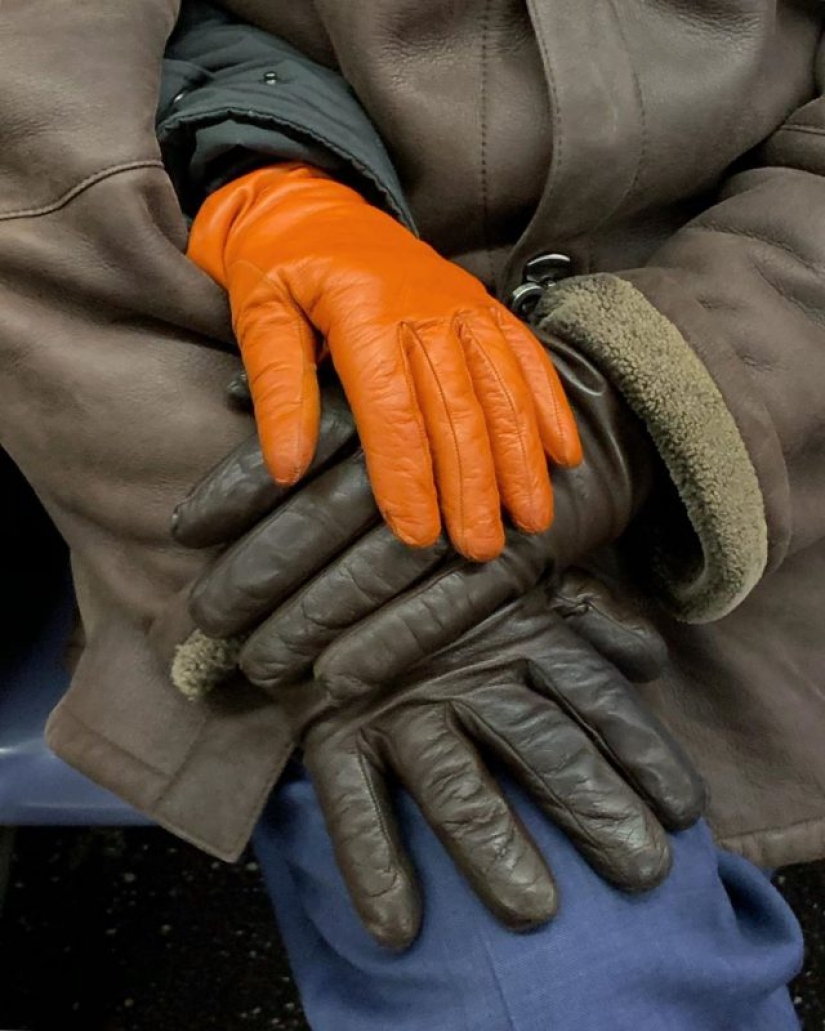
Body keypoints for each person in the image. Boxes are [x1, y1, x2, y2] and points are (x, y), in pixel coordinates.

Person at [1, 0, 822, 1027]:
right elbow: (29, 97)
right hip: (254, 391)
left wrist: (646, 397)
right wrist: (334, 570)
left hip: (783, 383)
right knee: (561, 983)